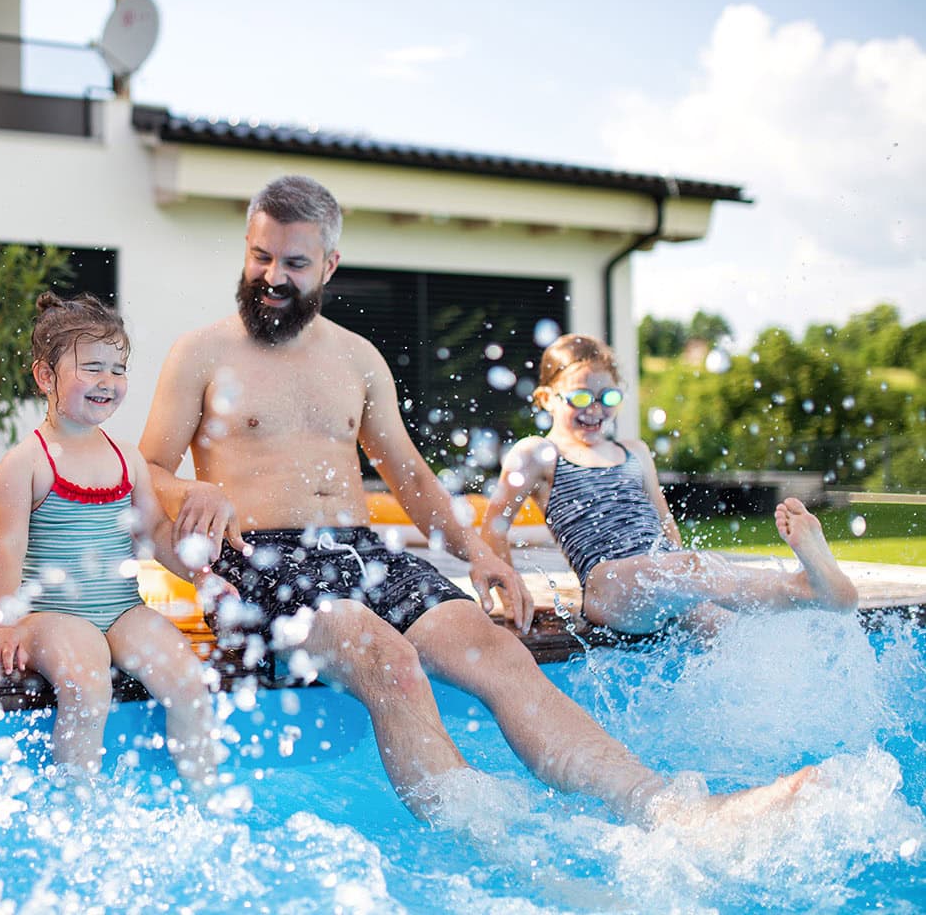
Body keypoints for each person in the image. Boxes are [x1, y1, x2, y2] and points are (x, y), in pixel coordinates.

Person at [138, 173, 816, 827]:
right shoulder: (201, 353)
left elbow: (407, 474)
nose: (274, 278)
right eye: (260, 257)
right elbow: (145, 468)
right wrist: (190, 488)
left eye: (294, 262)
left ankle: (668, 809)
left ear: (330, 264)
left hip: (363, 551)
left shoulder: (357, 358)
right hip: (262, 557)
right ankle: (500, 846)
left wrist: (479, 554)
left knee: (499, 654)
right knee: (390, 662)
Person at [0, 292, 220, 789]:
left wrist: (201, 577)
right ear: (45, 377)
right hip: (51, 614)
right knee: (89, 687)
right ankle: (76, 807)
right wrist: (2, 628)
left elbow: (154, 532)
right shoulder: (26, 463)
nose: (108, 382)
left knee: (190, 682)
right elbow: (5, 548)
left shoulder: (127, 458)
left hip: (120, 609)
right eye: (92, 368)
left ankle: (204, 797)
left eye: (118, 369)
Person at [480, 332, 858, 636]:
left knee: (730, 633)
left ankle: (812, 600)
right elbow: (493, 527)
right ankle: (808, 586)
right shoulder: (538, 453)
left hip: (663, 578)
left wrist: (683, 574)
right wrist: (511, 592)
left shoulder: (634, 451)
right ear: (547, 398)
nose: (595, 409)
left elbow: (664, 525)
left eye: (607, 396)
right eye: (580, 397)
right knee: (696, 567)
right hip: (608, 586)